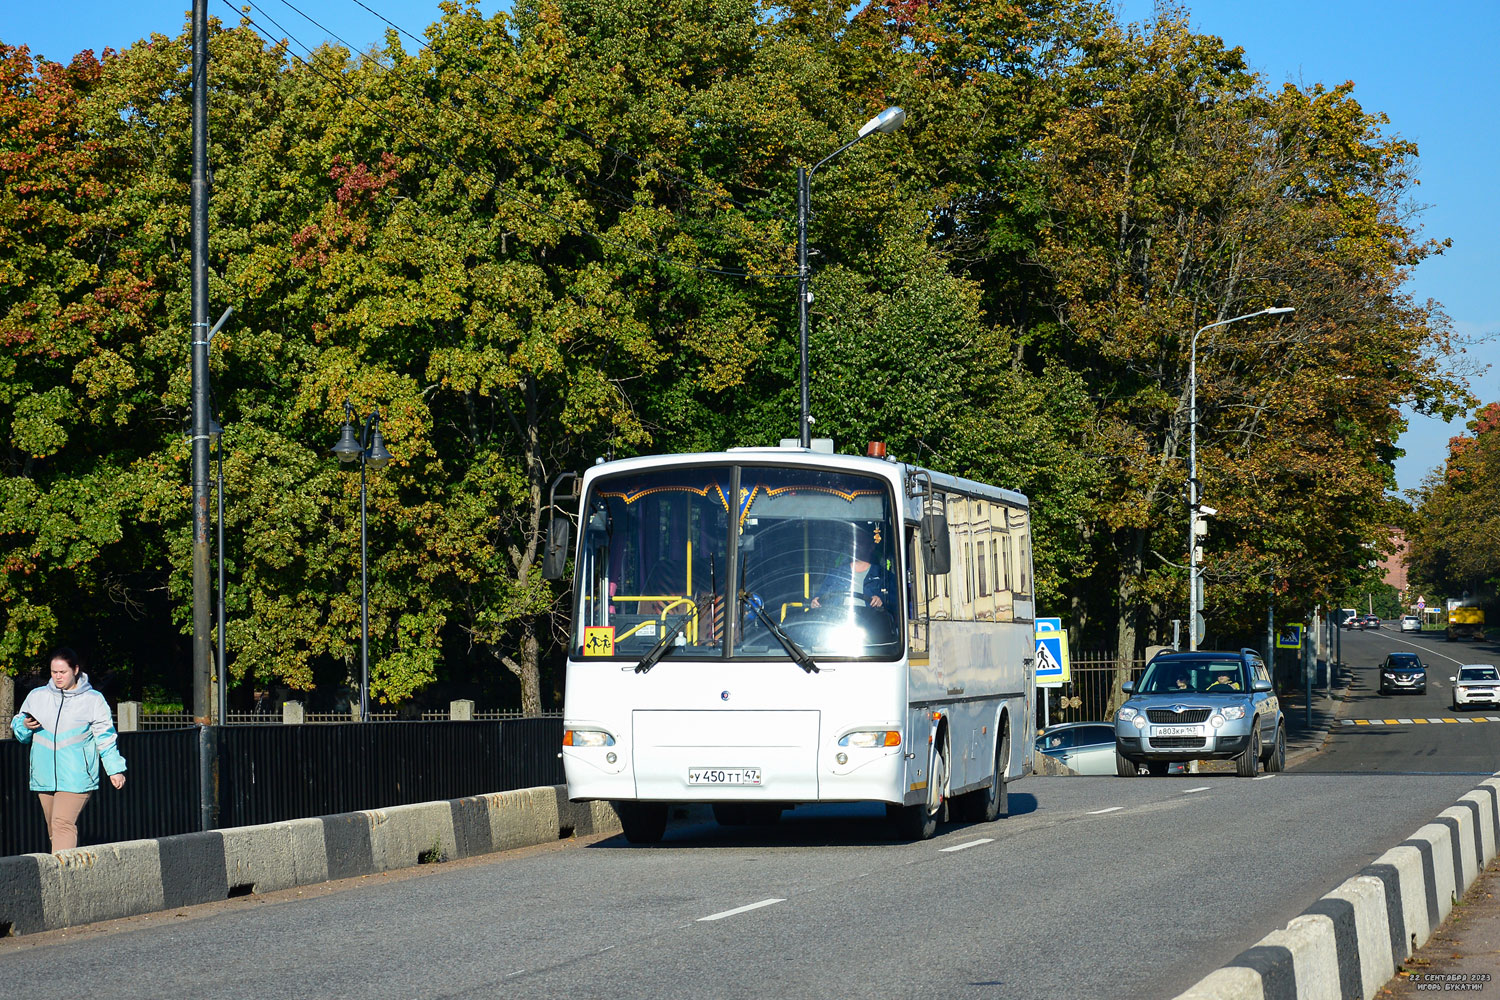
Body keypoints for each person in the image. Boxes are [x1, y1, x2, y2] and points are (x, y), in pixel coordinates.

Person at [11, 648, 127, 852]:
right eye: (54, 672)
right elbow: (20, 731)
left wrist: (114, 769)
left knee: (62, 824)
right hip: (44, 775)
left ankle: (61, 876)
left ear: (75, 669)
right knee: (53, 828)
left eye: (62, 672)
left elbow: (105, 736)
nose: (57, 677)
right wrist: (24, 726)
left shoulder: (93, 700)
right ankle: (70, 872)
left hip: (77, 777)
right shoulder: (37, 696)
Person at [811, 527, 893, 610]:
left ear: (871, 547)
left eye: (860, 542)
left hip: (871, 620)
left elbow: (897, 603)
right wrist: (815, 601)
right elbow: (820, 597)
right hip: (838, 618)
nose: (856, 545)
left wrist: (881, 600)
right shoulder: (836, 573)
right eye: (854, 542)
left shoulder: (883, 575)